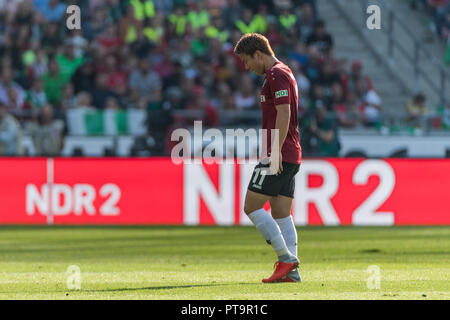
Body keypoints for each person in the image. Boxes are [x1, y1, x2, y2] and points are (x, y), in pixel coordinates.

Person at [234, 33, 301, 283]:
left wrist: (274, 152)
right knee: (282, 214)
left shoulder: (276, 74)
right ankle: (291, 271)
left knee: (251, 206)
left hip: (280, 153)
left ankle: (285, 259)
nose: (247, 66)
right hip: (291, 153)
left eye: (246, 60)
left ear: (258, 54)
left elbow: (284, 113)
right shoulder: (284, 72)